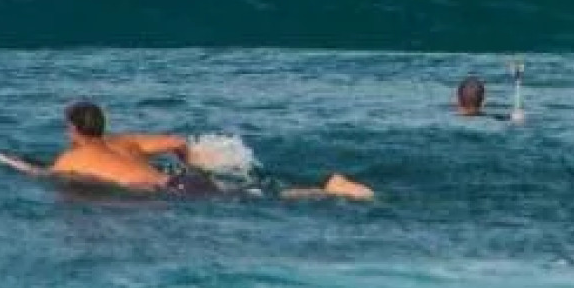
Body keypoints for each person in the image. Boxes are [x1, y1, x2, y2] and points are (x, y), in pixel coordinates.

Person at [38, 100, 373, 200]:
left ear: (73, 129)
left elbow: (52, 177)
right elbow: (177, 142)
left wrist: (22, 169)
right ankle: (328, 188)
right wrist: (193, 165)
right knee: (252, 192)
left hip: (171, 192)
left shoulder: (72, 157)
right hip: (186, 179)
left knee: (256, 199)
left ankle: (330, 191)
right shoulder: (126, 142)